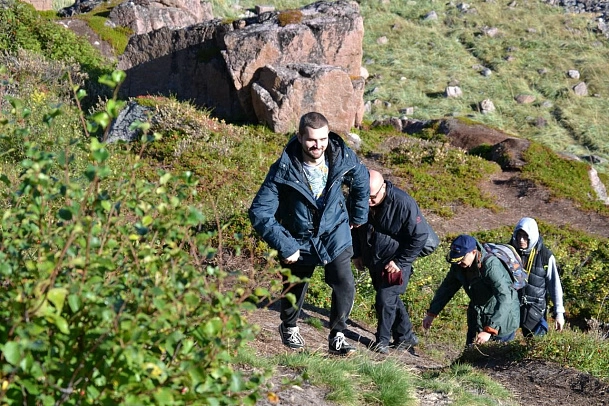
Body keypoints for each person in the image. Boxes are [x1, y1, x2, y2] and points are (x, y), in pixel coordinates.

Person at [249, 112, 369, 356]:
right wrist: (285, 244)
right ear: (299, 137)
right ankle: (289, 326)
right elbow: (259, 211)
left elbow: (361, 178)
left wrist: (358, 216)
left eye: (323, 139)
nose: (319, 145)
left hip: (334, 231)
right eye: (312, 140)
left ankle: (338, 335)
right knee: (295, 285)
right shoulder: (283, 169)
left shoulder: (342, 155)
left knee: (344, 282)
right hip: (298, 236)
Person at [352, 170, 428, 355]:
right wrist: (357, 254)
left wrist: (400, 262)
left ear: (383, 187)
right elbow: (355, 228)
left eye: (372, 197)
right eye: (364, 196)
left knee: (385, 298)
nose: (368, 201)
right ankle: (405, 336)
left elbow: (420, 236)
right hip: (373, 258)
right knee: (388, 297)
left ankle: (382, 341)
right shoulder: (357, 198)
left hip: (396, 261)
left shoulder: (404, 203)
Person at [422, 234, 520, 346]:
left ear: (473, 252)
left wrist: (490, 329)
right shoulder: (458, 265)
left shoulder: (491, 266)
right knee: (471, 357)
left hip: (502, 321)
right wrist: (432, 313)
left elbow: (505, 297)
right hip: (478, 318)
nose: (458, 263)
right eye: (456, 259)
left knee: (496, 360)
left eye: (461, 259)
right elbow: (447, 288)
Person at [510, 217, 565, 336]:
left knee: (535, 349)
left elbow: (555, 286)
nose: (521, 240)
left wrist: (559, 313)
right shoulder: (508, 252)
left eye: (525, 236)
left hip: (535, 311)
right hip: (511, 309)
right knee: (503, 349)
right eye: (519, 235)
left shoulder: (545, 256)